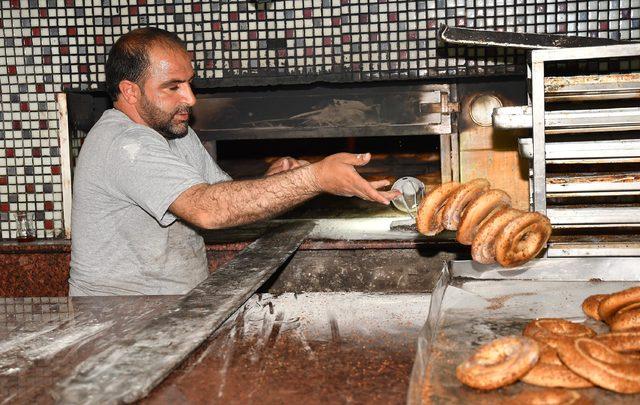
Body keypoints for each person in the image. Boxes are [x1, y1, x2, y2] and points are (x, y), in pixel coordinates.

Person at [69, 28, 399, 296]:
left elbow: (222, 196)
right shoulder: (125, 143)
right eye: (173, 87)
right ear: (130, 92)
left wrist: (274, 180)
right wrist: (316, 179)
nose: (191, 98)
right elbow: (208, 210)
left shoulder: (175, 132)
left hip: (171, 309)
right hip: (117, 319)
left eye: (189, 82)